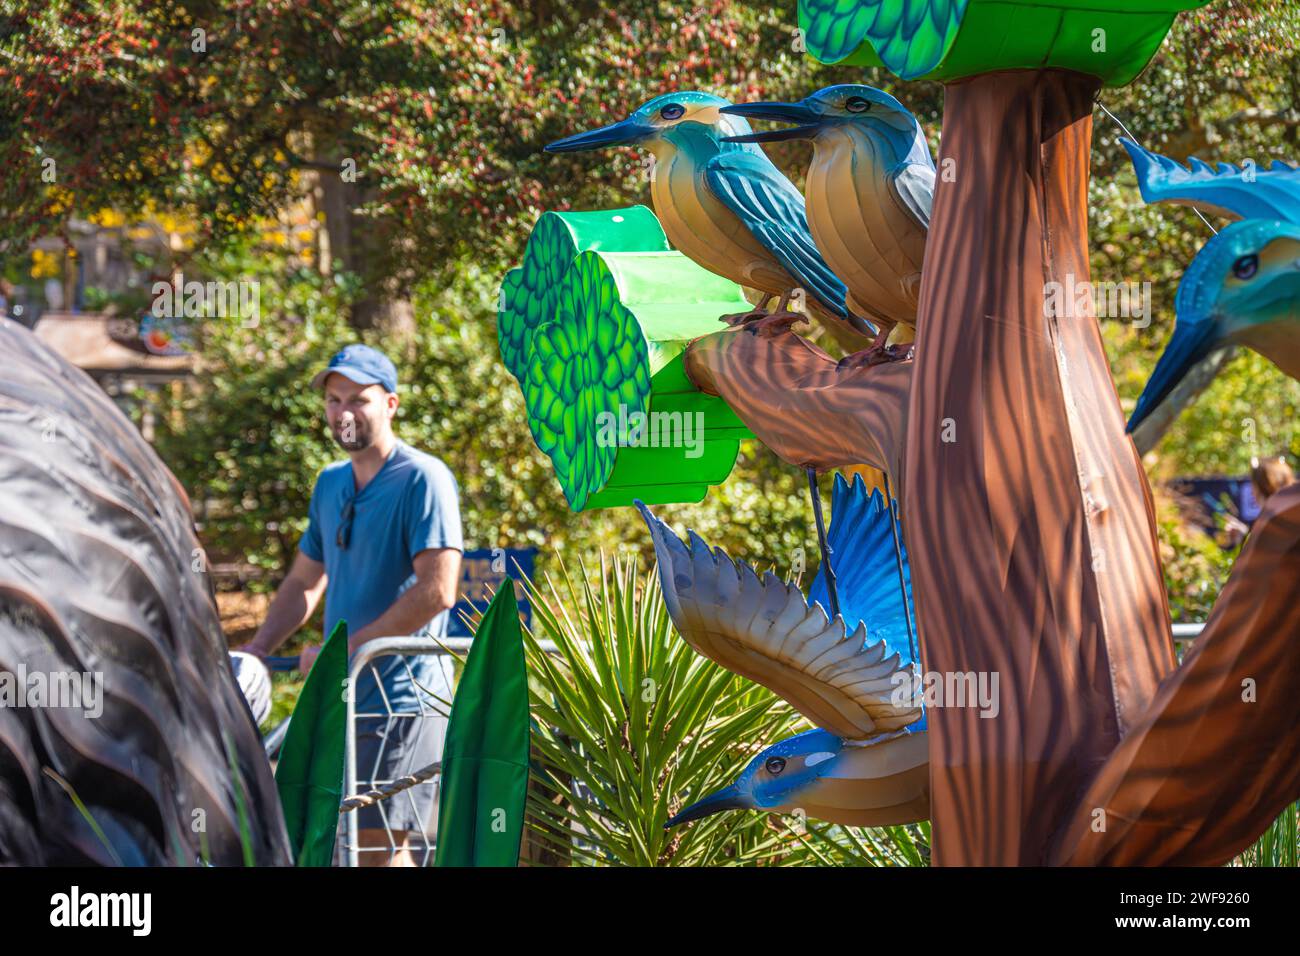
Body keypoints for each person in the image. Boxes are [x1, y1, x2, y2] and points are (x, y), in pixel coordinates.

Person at [238, 344, 464, 866]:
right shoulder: (330, 483)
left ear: (391, 404)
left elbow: (439, 590)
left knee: (383, 855)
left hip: (403, 699)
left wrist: (347, 650)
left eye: (358, 399)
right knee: (342, 848)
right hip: (345, 699)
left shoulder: (423, 479)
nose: (343, 412)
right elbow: (302, 583)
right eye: (334, 400)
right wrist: (258, 649)